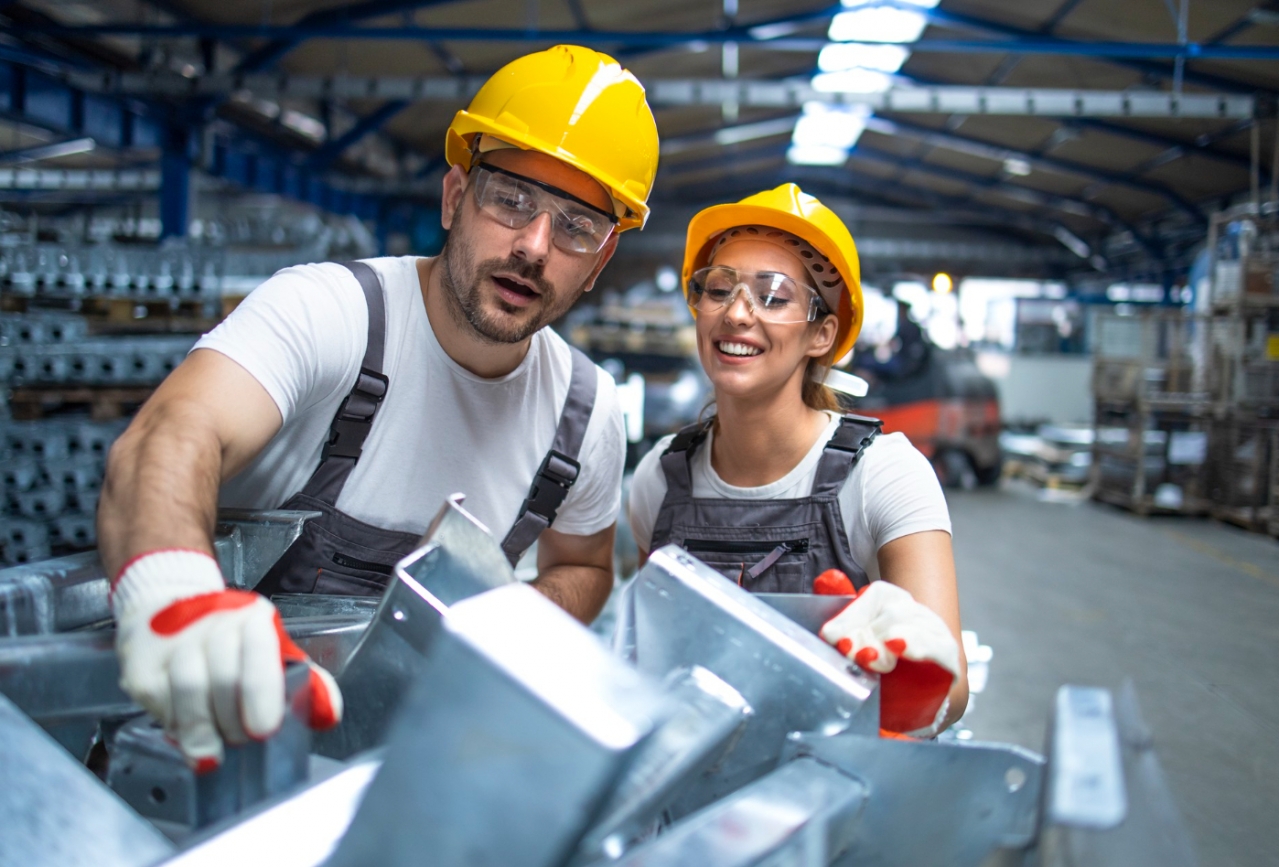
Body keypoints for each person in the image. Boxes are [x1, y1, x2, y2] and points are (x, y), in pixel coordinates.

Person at [97, 45, 660, 768]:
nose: (533, 246)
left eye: (576, 227)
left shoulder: (584, 412)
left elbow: (583, 565)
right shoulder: (331, 311)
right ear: (455, 197)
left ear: (600, 260)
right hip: (209, 754)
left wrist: (499, 623)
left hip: (411, 773)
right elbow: (171, 435)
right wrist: (173, 590)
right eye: (510, 199)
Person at [627, 184, 968, 734]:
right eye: (719, 288)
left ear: (822, 333)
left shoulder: (883, 475)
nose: (736, 314)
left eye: (774, 295)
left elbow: (950, 688)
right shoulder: (659, 481)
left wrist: (910, 685)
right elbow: (649, 656)